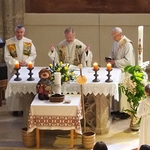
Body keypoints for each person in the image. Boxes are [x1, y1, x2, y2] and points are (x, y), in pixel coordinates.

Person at [4, 24, 37, 116]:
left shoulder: (28, 42)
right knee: (15, 90)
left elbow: (33, 55)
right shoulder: (9, 42)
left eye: (21, 32)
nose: (19, 34)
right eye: (18, 32)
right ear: (15, 32)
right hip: (14, 69)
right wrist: (16, 63)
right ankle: (14, 109)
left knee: (23, 88)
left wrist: (26, 62)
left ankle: (23, 108)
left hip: (25, 68)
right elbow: (7, 56)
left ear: (24, 32)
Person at [108, 27, 135, 113]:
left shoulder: (127, 44)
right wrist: (110, 58)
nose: (113, 38)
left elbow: (128, 61)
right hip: (117, 71)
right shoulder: (116, 42)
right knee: (117, 91)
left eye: (115, 36)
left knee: (123, 93)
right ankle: (116, 109)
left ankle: (124, 112)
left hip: (125, 72)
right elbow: (112, 53)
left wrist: (115, 62)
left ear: (120, 35)